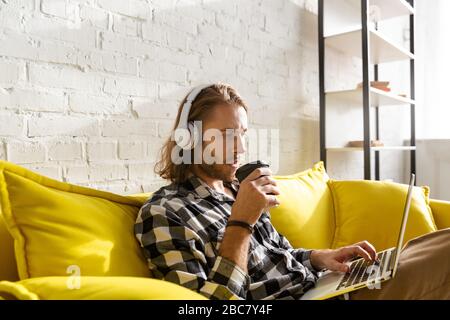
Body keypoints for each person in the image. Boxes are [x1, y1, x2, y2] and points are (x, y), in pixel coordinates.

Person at [134, 83, 450, 300]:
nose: (241, 148)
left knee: (436, 244)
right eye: (228, 135)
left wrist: (319, 257)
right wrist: (241, 222)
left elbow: (276, 256)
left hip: (319, 286)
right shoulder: (165, 213)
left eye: (243, 133)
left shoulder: (238, 187)